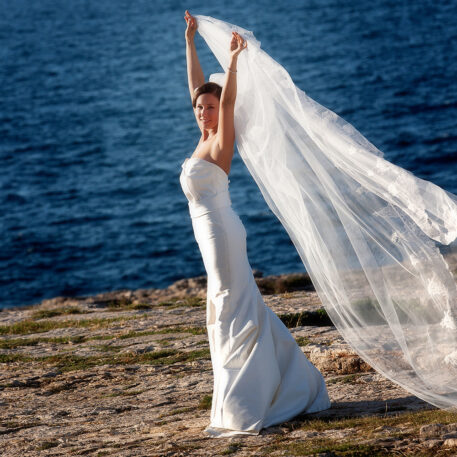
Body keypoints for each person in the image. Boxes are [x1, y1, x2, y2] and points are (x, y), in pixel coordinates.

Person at [179, 10, 332, 438]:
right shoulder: (202, 135)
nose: (203, 112)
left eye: (209, 108)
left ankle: (245, 401)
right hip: (209, 233)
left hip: (222, 232)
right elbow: (198, 88)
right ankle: (288, 380)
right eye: (199, 108)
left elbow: (224, 100)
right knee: (231, 304)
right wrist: (190, 42)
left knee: (233, 305)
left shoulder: (221, 141)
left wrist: (232, 63)